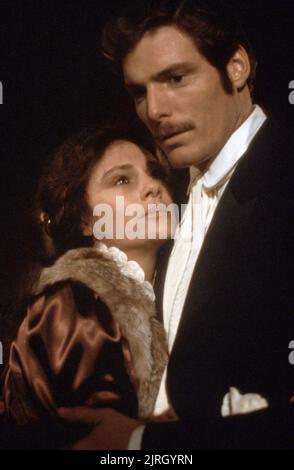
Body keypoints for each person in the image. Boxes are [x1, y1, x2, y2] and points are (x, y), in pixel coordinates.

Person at [59, 0, 294, 449]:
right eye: (139, 92)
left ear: (237, 67)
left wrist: (143, 444)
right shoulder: (168, 214)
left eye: (175, 78)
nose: (154, 110)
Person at [1, 126, 174, 448]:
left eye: (156, 173)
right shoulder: (72, 306)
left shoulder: (169, 297)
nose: (153, 187)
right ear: (84, 218)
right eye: (122, 180)